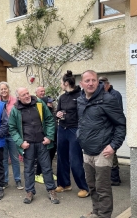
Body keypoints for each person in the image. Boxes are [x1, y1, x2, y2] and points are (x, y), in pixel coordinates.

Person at [77, 70, 126, 218]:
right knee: (91, 186)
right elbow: (81, 121)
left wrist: (113, 145)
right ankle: (96, 212)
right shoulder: (80, 100)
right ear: (82, 83)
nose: (90, 83)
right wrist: (79, 136)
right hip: (86, 150)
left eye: (93, 80)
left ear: (98, 82)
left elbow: (121, 124)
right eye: (87, 81)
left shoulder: (108, 99)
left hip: (102, 151)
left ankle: (104, 215)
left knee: (102, 188)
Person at [9, 87, 59, 204]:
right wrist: (20, 142)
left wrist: (49, 137)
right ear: (18, 98)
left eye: (27, 93)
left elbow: (49, 120)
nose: (27, 96)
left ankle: (51, 190)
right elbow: (12, 128)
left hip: (42, 142)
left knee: (47, 168)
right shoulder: (15, 109)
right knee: (28, 169)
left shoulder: (39, 103)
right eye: (23, 95)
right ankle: (30, 191)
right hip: (27, 145)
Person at [55, 70, 89, 198]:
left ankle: (84, 187)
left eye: (61, 83)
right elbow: (58, 111)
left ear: (66, 83)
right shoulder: (62, 97)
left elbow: (84, 114)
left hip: (74, 130)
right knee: (61, 158)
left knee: (75, 160)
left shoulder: (80, 95)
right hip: (62, 129)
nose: (60, 85)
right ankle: (64, 184)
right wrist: (57, 115)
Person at [0, 81, 23, 190]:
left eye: (5, 89)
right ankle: (5, 181)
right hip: (2, 135)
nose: (3, 91)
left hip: (13, 134)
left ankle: (18, 180)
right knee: (3, 159)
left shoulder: (15, 102)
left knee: (15, 158)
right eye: (1, 89)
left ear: (8, 89)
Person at [98, 76, 123, 186]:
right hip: (104, 128)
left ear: (107, 84)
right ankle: (112, 177)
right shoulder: (102, 94)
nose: (101, 87)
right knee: (106, 152)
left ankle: (114, 178)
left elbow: (116, 113)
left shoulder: (115, 94)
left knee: (112, 152)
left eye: (102, 84)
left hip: (112, 128)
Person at [35, 86, 57, 184]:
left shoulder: (52, 110)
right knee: (43, 157)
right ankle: (38, 174)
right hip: (44, 138)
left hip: (53, 138)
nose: (51, 103)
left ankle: (47, 173)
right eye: (49, 102)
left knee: (50, 156)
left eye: (51, 102)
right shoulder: (41, 110)